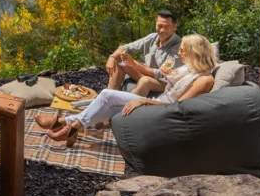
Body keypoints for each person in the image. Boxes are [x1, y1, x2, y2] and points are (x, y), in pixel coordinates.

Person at [47, 34, 217, 147]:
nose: (180, 54)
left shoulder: (204, 80)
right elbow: (168, 83)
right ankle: (68, 125)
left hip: (161, 111)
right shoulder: (189, 69)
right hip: (159, 103)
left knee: (107, 95)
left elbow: (177, 107)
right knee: (109, 106)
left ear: (194, 52)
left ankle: (69, 125)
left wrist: (143, 100)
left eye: (183, 50)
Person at [106, 11, 181, 95]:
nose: (162, 30)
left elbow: (163, 74)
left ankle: (125, 104)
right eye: (159, 26)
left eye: (166, 27)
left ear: (175, 27)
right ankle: (109, 95)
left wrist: (135, 64)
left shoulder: (178, 47)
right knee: (119, 59)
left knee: (145, 80)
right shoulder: (152, 37)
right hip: (145, 74)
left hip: (163, 82)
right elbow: (126, 47)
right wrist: (112, 57)